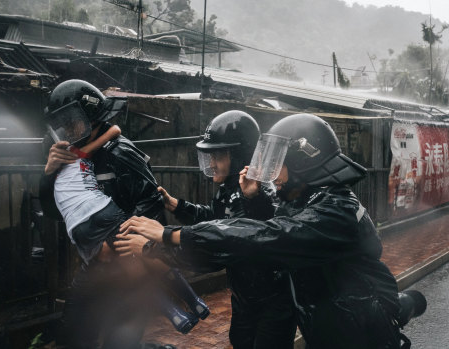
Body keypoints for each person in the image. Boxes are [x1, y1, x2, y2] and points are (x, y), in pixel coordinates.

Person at [120, 113, 415, 348]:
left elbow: (262, 238)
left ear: (302, 164)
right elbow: (263, 225)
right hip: (329, 327)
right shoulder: (302, 200)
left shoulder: (334, 210)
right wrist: (255, 198)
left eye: (279, 164)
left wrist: (169, 237)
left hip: (360, 334)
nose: (273, 174)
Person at [39, 79, 207, 348]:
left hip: (130, 267)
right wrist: (48, 174)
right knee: (72, 336)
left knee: (121, 341)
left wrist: (113, 243)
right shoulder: (66, 156)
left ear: (91, 118)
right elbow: (52, 210)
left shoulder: (121, 151)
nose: (69, 129)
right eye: (64, 123)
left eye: (73, 122)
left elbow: (151, 204)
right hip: (94, 267)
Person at [116, 110, 297, 349]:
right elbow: (214, 220)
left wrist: (154, 246)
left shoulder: (260, 190)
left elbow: (221, 247)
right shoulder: (229, 188)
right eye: (209, 157)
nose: (211, 164)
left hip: (274, 301)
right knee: (240, 341)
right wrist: (177, 205)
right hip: (245, 296)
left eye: (218, 156)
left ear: (240, 154)